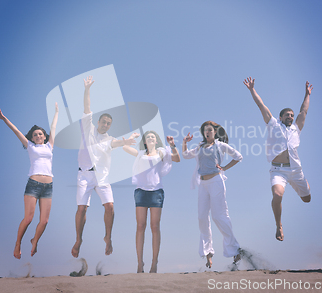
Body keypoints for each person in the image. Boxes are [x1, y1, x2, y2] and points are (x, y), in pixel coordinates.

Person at [72, 76, 136, 258]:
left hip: (101, 178)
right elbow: (87, 107)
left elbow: (118, 143)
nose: (106, 125)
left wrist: (128, 141)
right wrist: (87, 89)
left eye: (109, 123)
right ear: (98, 122)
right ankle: (78, 239)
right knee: (82, 209)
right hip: (84, 175)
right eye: (104, 122)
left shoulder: (110, 140)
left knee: (110, 207)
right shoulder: (88, 128)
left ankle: (108, 237)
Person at [243, 77, 312, 241]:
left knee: (307, 199)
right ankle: (279, 225)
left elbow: (304, 111)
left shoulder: (296, 129)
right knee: (277, 194)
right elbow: (262, 106)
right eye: (287, 115)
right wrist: (252, 89)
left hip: (296, 170)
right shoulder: (273, 124)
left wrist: (307, 94)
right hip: (278, 170)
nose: (290, 116)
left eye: (291, 115)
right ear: (280, 117)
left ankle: (299, 185)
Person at [0, 103, 59, 259]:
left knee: (44, 221)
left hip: (48, 186)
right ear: (31, 138)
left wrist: (56, 111)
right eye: (35, 135)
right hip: (33, 185)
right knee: (29, 218)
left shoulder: (50, 146)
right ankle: (18, 243)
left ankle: (34, 241)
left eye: (40, 134)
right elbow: (16, 130)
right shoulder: (30, 146)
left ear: (44, 135)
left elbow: (54, 126)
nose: (37, 136)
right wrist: (4, 119)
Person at [182, 121, 242, 268]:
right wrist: (184, 142)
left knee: (218, 216)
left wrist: (225, 168)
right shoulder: (199, 147)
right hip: (203, 184)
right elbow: (185, 155)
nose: (207, 132)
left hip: (216, 181)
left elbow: (238, 156)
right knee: (202, 217)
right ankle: (208, 253)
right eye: (205, 130)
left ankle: (234, 249)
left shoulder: (220, 145)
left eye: (209, 130)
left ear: (215, 132)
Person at [123, 131, 180, 273]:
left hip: (156, 192)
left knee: (155, 227)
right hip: (141, 192)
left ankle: (154, 263)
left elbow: (177, 159)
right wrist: (131, 138)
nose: (150, 138)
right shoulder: (140, 154)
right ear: (145, 141)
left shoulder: (162, 153)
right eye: (147, 137)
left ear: (156, 141)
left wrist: (172, 145)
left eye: (152, 137)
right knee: (140, 226)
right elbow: (125, 148)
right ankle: (139, 263)